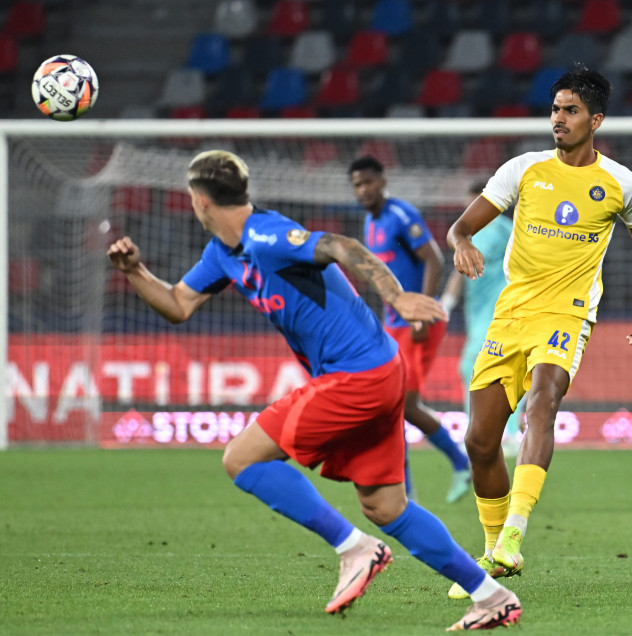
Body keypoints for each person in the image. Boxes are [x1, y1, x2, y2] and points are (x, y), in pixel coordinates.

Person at [107, 150, 521, 630]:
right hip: (377, 370)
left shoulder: (268, 235)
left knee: (242, 459)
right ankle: (491, 596)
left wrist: (397, 295)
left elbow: (343, 247)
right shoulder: (222, 252)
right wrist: (136, 271)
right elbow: (179, 303)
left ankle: (356, 548)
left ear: (200, 202)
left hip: (357, 376)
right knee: (385, 506)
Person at [446, 65, 632, 598]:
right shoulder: (523, 169)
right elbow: (462, 225)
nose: (558, 119)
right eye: (555, 109)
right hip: (510, 314)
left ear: (596, 119)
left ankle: (515, 531)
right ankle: (496, 551)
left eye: (570, 111)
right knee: (478, 441)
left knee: (542, 403)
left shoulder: (623, 184)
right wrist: (461, 243)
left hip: (567, 314)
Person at [348, 156, 471, 504]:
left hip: (418, 322)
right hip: (394, 323)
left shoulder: (400, 215)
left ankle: (437, 475)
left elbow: (434, 258)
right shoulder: (370, 223)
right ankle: (418, 482)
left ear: (382, 181)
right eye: (357, 185)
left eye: (368, 182)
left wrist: (421, 312)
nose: (363, 190)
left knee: (400, 403)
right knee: (396, 405)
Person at [439, 182, 525, 459]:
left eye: (475, 203)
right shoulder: (470, 232)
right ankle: (487, 432)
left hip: (502, 310)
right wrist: (447, 305)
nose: (470, 210)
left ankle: (501, 434)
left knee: (476, 366)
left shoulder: (501, 227)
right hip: (477, 314)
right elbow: (460, 270)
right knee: (488, 371)